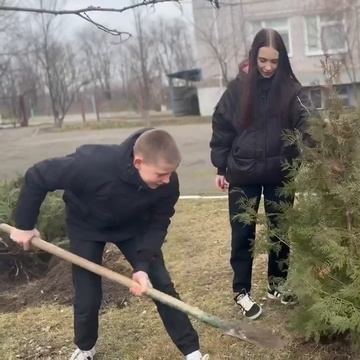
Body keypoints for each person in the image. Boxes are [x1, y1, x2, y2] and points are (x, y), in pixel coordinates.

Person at [10, 129, 208, 360]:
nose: (167, 180)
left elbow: (158, 223)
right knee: (87, 292)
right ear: (138, 162)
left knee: (161, 283)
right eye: (161, 174)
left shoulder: (168, 183)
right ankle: (85, 348)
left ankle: (191, 351)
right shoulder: (91, 164)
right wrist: (24, 224)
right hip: (87, 226)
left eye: (170, 173)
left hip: (134, 228)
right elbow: (38, 175)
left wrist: (142, 266)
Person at [209, 28, 311, 320]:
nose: (267, 67)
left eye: (274, 61)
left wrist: (320, 148)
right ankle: (241, 291)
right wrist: (220, 166)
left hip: (281, 172)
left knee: (281, 232)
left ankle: (277, 285)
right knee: (243, 234)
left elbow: (308, 122)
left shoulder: (292, 91)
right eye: (262, 60)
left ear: (282, 61)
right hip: (242, 173)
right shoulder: (238, 88)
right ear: (254, 57)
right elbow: (222, 126)